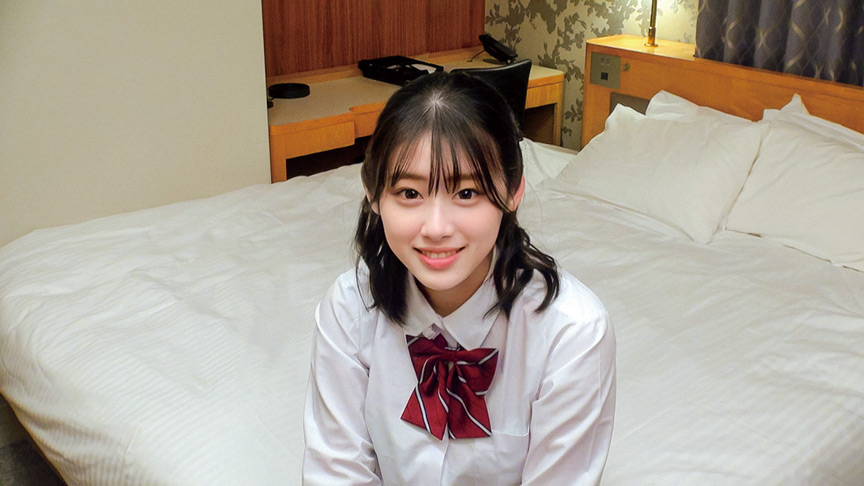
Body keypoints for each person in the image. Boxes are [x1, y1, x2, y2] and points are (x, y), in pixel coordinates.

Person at [303, 71, 616, 485]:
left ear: (513, 192)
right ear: (373, 193)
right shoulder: (349, 308)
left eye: (466, 193)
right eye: (410, 193)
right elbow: (336, 473)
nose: (436, 228)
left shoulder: (573, 334)